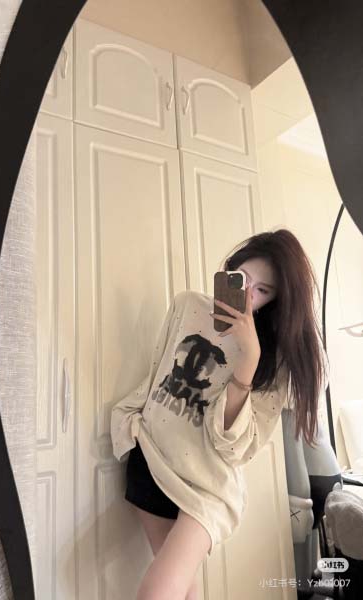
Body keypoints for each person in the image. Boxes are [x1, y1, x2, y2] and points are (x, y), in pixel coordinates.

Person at [110, 229, 329, 600]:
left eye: (263, 290)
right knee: (184, 590)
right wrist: (131, 426)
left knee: (156, 593)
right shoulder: (186, 306)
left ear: (275, 300)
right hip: (152, 459)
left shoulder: (272, 361)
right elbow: (158, 375)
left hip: (207, 485)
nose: (248, 295)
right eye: (242, 280)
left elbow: (236, 447)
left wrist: (249, 359)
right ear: (229, 271)